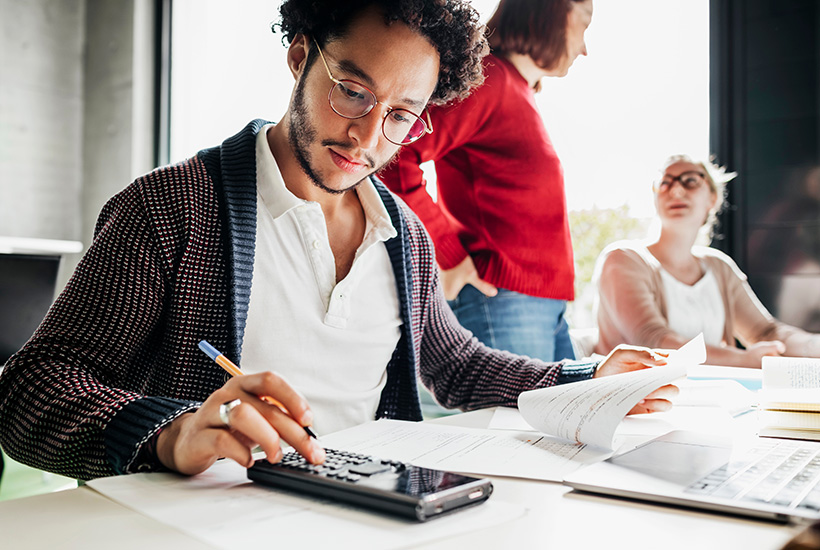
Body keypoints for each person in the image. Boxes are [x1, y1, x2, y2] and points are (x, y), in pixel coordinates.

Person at [0, 0, 674, 482]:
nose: (366, 137)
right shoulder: (171, 207)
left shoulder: (402, 235)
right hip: (204, 525)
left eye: (401, 117)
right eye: (352, 92)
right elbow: (31, 388)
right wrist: (170, 433)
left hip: (368, 519)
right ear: (300, 54)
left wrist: (586, 377)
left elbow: (457, 365)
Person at [378, 0, 592, 362]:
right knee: (516, 421)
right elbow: (394, 156)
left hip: (539, 305)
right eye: (583, 26)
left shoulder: (515, 88)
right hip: (504, 300)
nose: (584, 49)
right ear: (550, 16)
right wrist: (450, 255)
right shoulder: (490, 80)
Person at [594, 154, 820, 367]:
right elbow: (652, 339)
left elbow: (765, 332)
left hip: (709, 396)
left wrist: (813, 346)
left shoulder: (719, 266)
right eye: (665, 182)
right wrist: (742, 360)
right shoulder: (623, 258)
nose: (676, 191)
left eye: (690, 181)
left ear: (713, 198)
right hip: (639, 401)